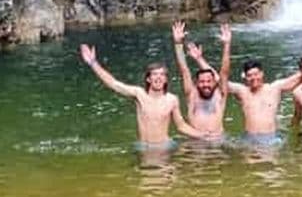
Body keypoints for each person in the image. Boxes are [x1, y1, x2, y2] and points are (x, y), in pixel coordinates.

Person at [189, 34, 302, 142]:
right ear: (245, 77)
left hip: (271, 138)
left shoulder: (275, 88)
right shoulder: (242, 91)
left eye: (256, 74)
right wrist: (199, 59)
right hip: (250, 138)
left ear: (262, 74)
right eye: (250, 75)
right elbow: (219, 79)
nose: (254, 78)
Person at [79, 43, 208, 148]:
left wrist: (203, 135)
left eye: (162, 74)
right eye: (155, 74)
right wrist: (93, 63)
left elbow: (181, 126)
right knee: (147, 178)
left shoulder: (172, 99)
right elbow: (113, 83)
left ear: (166, 80)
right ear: (148, 79)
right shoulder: (139, 94)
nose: (158, 77)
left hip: (165, 146)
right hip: (144, 146)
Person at [171, 21, 231, 138]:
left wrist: (227, 44)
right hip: (196, 142)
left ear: (214, 82)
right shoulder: (192, 95)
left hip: (217, 142)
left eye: (209, 81)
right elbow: (184, 70)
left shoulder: (220, 95)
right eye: (202, 82)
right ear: (197, 83)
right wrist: (178, 43)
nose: (205, 84)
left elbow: (224, 72)